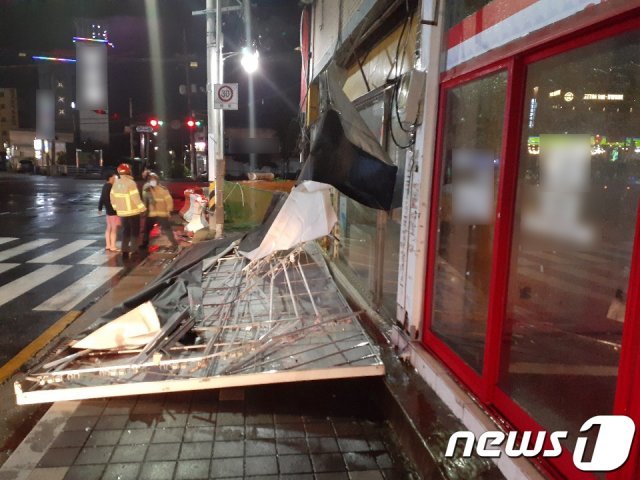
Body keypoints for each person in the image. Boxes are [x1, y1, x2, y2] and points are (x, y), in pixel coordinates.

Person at [110, 163, 146, 257]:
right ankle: (133, 250)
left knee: (126, 231)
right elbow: (135, 198)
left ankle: (124, 251)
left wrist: (116, 207)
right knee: (134, 232)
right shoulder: (131, 183)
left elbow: (112, 197)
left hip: (122, 212)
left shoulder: (116, 183)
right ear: (129, 171)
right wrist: (143, 208)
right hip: (133, 212)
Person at [141, 172, 179, 250]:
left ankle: (174, 243)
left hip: (161, 214)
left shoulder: (163, 190)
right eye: (151, 180)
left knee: (167, 229)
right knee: (147, 230)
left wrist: (169, 211)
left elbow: (169, 201)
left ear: (157, 180)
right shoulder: (148, 190)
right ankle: (144, 244)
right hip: (152, 214)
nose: (153, 181)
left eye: (154, 180)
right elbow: (145, 201)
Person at [98, 172, 120, 251]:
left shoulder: (104, 186)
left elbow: (102, 198)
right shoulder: (112, 187)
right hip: (113, 211)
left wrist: (100, 208)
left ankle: (108, 245)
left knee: (109, 228)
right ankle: (113, 246)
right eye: (114, 178)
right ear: (110, 178)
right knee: (114, 229)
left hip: (108, 211)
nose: (115, 179)